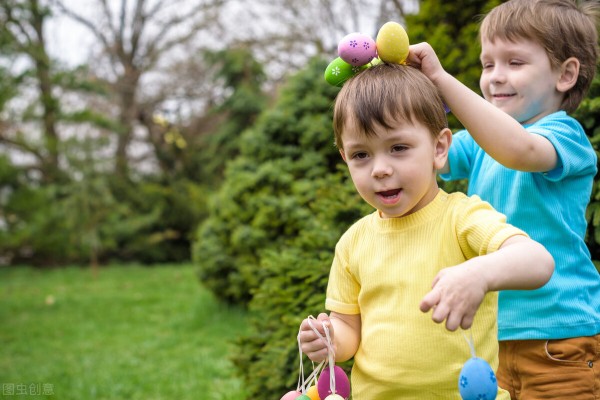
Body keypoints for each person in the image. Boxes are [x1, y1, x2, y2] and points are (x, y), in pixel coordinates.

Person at [297, 63, 554, 399]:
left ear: (438, 148)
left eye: (398, 148)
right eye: (361, 155)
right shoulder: (353, 243)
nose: (381, 169)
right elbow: (349, 330)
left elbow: (538, 262)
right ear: (345, 158)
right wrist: (328, 337)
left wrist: (480, 273)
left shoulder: (462, 218)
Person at [407, 0, 600, 398]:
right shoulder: (479, 143)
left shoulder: (564, 136)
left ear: (565, 74)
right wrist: (401, 90)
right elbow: (428, 153)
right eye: (487, 64)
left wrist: (442, 79)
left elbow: (519, 151)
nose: (495, 77)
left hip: (559, 338)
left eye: (514, 62)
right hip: (494, 335)